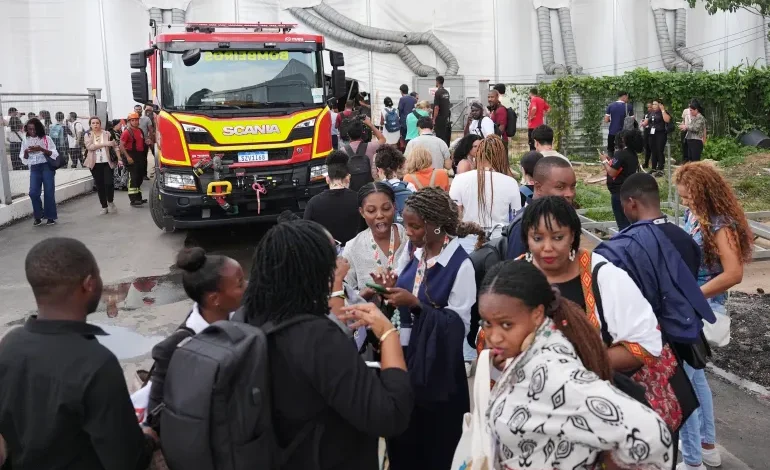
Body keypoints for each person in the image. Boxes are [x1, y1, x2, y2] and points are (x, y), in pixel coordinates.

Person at [243, 220, 413, 470]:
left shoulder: (245, 317)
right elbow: (390, 415)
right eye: (332, 254)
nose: (338, 261)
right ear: (315, 268)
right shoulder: (318, 337)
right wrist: (387, 333)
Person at [480, 260, 673, 469]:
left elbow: (650, 432)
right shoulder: (536, 351)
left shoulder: (551, 371)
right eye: (487, 323)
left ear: (536, 314)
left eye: (506, 325)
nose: (494, 337)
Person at [0, 238, 157, 469]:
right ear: (89, 284)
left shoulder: (9, 345)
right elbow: (127, 460)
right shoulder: (96, 363)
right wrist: (148, 439)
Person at [375, 187, 484, 470]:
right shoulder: (413, 251)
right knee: (405, 440)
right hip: (408, 359)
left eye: (415, 226)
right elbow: (404, 283)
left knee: (437, 445)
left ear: (435, 227)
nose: (407, 232)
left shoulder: (460, 265)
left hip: (439, 371)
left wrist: (416, 305)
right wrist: (389, 289)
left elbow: (457, 327)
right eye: (407, 224)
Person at [519, 197, 663, 372]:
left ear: (572, 235)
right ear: (527, 238)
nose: (547, 247)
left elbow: (647, 345)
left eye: (558, 237)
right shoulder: (513, 278)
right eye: (537, 238)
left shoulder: (606, 277)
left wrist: (577, 366)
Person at [675, 162, 755, 470]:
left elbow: (734, 273)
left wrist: (693, 296)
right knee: (696, 380)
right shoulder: (696, 216)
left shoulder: (721, 224)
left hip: (702, 308)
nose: (685, 202)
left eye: (688, 197)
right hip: (691, 307)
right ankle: (707, 447)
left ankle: (693, 459)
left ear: (703, 193)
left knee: (686, 383)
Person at [145, 247, 246, 423]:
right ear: (215, 299)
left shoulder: (245, 317)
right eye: (240, 283)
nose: (247, 286)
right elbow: (156, 415)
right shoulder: (176, 348)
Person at [450, 135, 520, 252]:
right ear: (502, 156)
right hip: (498, 243)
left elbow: (454, 214)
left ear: (478, 154)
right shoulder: (510, 182)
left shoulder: (460, 179)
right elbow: (515, 217)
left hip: (467, 241)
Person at [504, 156, 577, 260]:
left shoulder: (562, 217)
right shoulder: (523, 225)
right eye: (560, 187)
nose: (570, 194)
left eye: (573, 186)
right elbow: (515, 273)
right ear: (538, 187)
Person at [343, 182, 407, 294]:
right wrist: (362, 295)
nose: (380, 215)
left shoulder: (409, 238)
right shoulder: (352, 248)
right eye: (371, 211)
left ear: (394, 207)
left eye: (386, 208)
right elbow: (343, 293)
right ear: (362, 212)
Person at [303, 151, 363, 245]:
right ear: (348, 178)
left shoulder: (313, 203)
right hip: (355, 253)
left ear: (327, 179)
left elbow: (306, 234)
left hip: (326, 255)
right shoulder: (359, 199)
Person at [20, 118, 59, 226]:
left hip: (46, 165)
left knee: (49, 191)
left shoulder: (46, 138)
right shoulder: (26, 140)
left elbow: (54, 153)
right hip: (34, 167)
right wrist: (27, 152)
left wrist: (41, 149)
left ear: (38, 128)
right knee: (33, 193)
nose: (32, 131)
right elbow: (24, 159)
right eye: (29, 129)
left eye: (34, 129)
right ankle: (39, 215)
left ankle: (50, 216)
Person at [600, 128, 642, 230]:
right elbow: (620, 166)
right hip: (629, 191)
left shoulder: (621, 153)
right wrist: (610, 160)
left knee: (622, 224)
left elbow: (612, 172)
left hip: (619, 193)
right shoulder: (632, 154)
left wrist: (604, 161)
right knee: (629, 221)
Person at [84, 116, 119, 215]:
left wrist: (119, 157)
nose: (95, 125)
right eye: (93, 123)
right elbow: (90, 147)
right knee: (100, 185)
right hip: (95, 163)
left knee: (109, 183)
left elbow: (114, 144)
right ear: (90, 124)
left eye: (97, 123)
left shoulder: (107, 133)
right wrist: (105, 144)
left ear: (100, 124)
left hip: (107, 162)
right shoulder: (88, 135)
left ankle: (110, 201)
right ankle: (104, 206)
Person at [340, 117, 386, 183]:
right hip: (369, 184)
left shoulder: (342, 151)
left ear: (348, 134)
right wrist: (370, 125)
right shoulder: (371, 146)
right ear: (362, 133)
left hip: (352, 185)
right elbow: (382, 139)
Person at [120, 112, 149, 207]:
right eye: (133, 120)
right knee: (133, 177)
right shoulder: (126, 132)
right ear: (129, 121)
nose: (135, 122)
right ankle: (133, 199)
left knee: (139, 177)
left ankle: (138, 198)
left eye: (136, 120)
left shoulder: (140, 130)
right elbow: (121, 146)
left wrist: (147, 141)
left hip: (139, 155)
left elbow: (141, 142)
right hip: (131, 155)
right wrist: (128, 157)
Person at [641, 100, 671, 176]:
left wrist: (663, 110)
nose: (653, 106)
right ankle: (654, 168)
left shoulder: (664, 112)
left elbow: (667, 120)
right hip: (652, 134)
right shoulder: (651, 113)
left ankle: (660, 168)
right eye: (653, 104)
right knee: (653, 150)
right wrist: (643, 123)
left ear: (660, 105)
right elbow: (646, 122)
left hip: (660, 134)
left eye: (655, 104)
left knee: (659, 150)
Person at [605, 91, 634, 156]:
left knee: (610, 150)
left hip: (612, 131)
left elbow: (606, 120)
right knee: (623, 149)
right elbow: (632, 119)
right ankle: (622, 163)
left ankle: (611, 163)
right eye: (627, 97)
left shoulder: (610, 106)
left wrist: (613, 119)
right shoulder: (629, 106)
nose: (627, 99)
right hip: (624, 133)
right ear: (624, 96)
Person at [432, 75, 452, 145]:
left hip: (439, 119)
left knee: (439, 137)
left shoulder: (438, 92)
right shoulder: (446, 92)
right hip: (445, 118)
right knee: (445, 136)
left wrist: (434, 119)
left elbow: (436, 107)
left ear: (437, 82)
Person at [139, 105, 156, 180]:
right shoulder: (133, 119)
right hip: (136, 142)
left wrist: (151, 140)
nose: (148, 112)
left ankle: (145, 174)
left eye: (150, 110)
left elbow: (151, 130)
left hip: (147, 141)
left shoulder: (148, 118)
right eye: (147, 110)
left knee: (147, 157)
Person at [641, 102, 654, 168]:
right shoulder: (646, 114)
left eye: (650, 107)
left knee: (653, 148)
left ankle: (654, 164)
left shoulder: (654, 114)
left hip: (652, 132)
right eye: (648, 107)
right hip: (646, 131)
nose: (649, 108)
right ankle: (646, 163)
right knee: (647, 148)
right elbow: (643, 121)